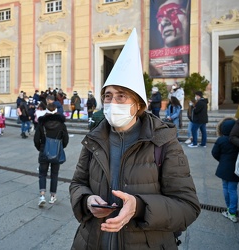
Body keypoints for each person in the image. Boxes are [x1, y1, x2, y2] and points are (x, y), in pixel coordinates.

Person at [69, 28, 200, 249]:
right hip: (92, 241)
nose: (113, 103)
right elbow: (78, 183)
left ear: (138, 104)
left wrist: (138, 207)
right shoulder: (94, 139)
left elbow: (188, 207)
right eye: (108, 96)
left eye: (122, 96)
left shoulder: (164, 142)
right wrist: (86, 200)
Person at [34, 102, 69, 207]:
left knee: (42, 174)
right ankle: (53, 196)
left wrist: (40, 147)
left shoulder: (42, 123)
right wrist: (60, 147)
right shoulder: (61, 124)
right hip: (57, 152)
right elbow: (66, 139)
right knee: (54, 174)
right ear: (56, 110)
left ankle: (42, 196)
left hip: (44, 150)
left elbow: (36, 139)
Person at [212, 118, 239, 223]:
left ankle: (230, 210)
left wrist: (222, 160)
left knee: (226, 187)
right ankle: (232, 212)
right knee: (233, 189)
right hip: (235, 169)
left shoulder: (221, 140)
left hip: (224, 168)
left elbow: (214, 152)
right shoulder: (238, 140)